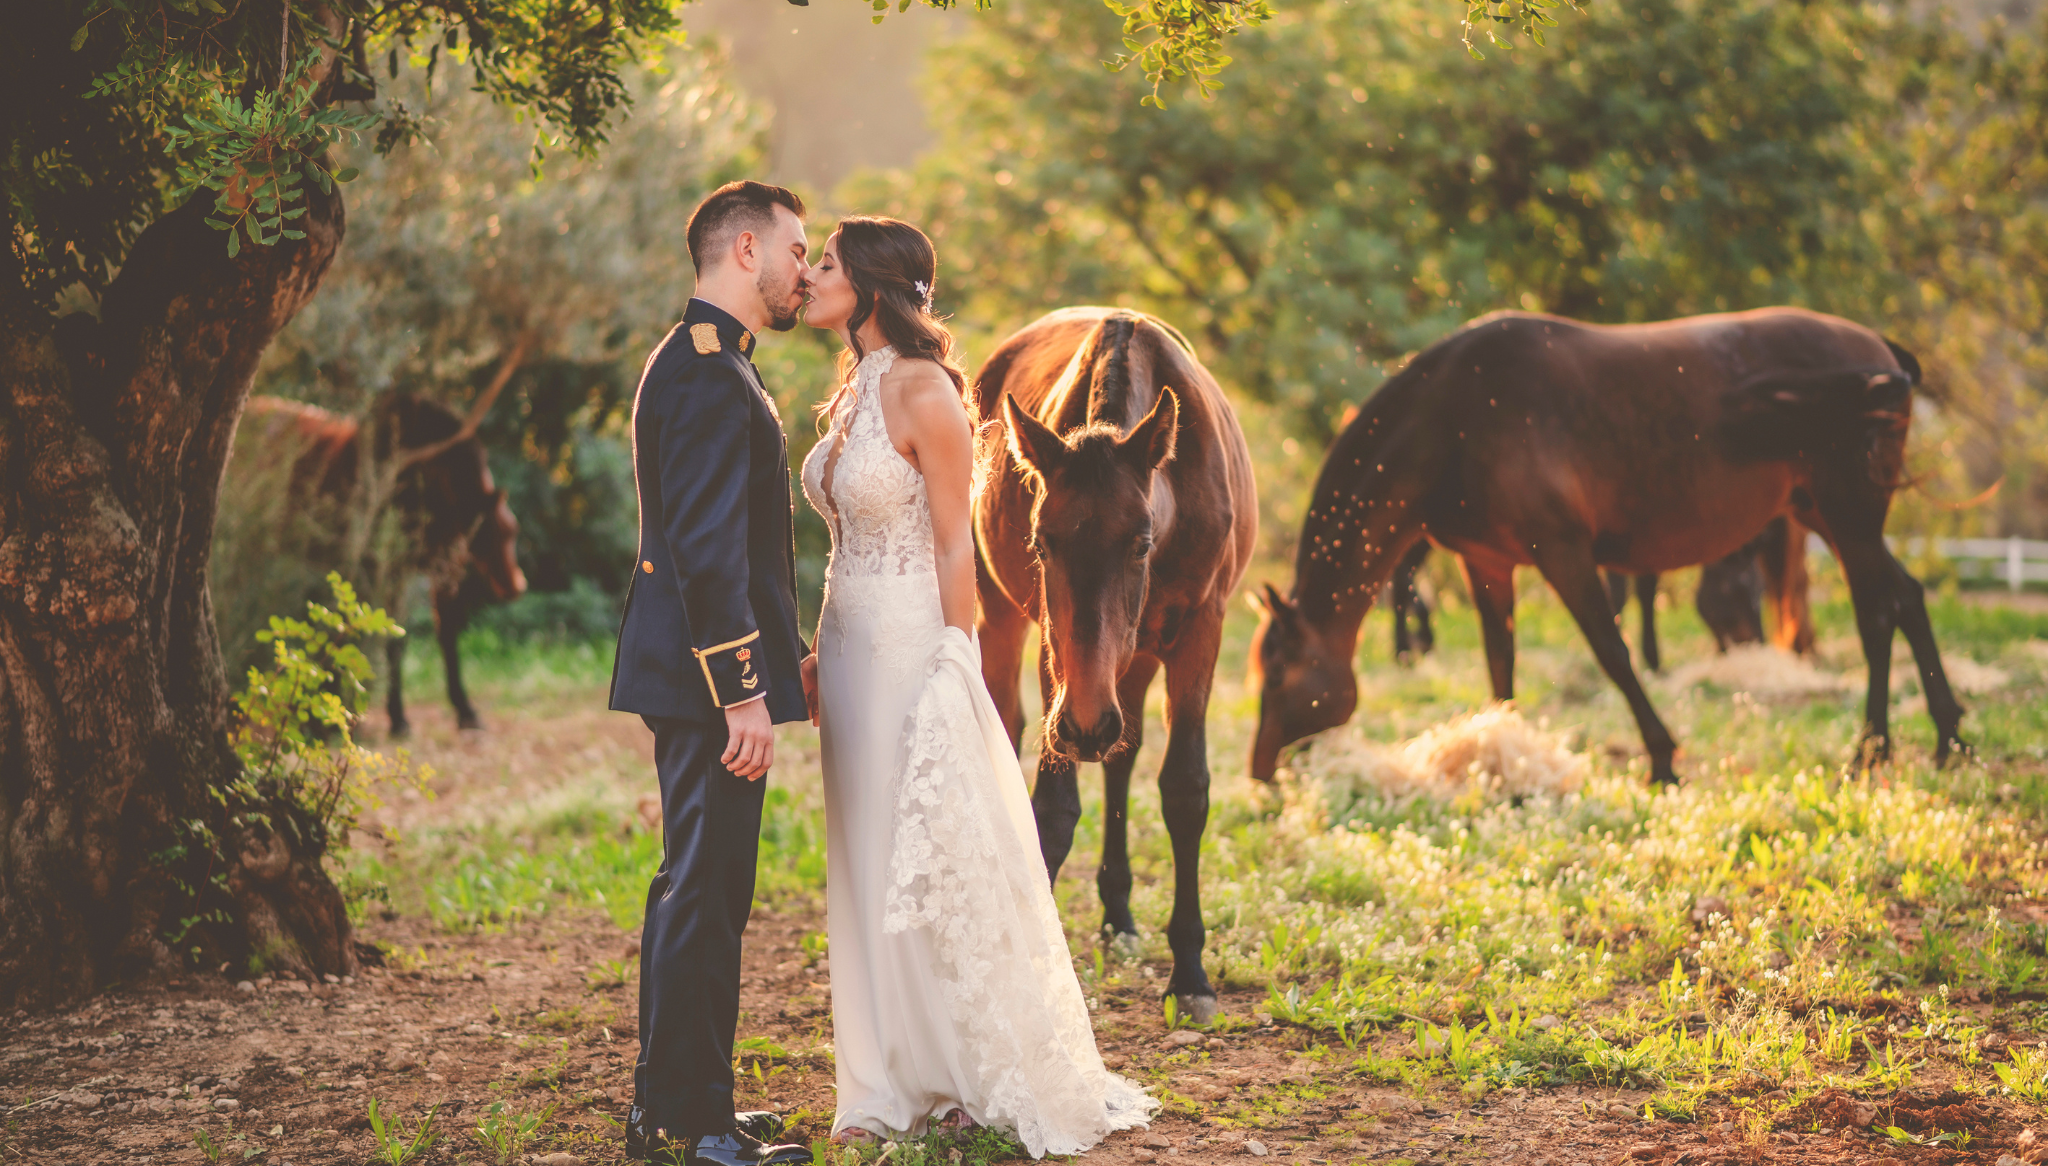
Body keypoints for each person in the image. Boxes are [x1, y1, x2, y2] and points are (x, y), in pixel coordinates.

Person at [797, 216, 1160, 1157]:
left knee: (923, 857)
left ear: (870, 289)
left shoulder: (928, 394)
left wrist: (959, 656)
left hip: (913, 643)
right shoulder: (853, 390)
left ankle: (953, 1073)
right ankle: (876, 1077)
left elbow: (955, 541)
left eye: (826, 264)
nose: (810, 275)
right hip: (844, 645)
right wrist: (815, 645)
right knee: (861, 856)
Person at [608, 180, 816, 1166]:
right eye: (796, 247)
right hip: (703, 684)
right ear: (744, 247)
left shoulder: (714, 361)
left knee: (695, 887)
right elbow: (701, 545)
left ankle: (678, 1100)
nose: (804, 268)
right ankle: (691, 1124)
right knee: (703, 888)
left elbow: (726, 541)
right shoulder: (703, 371)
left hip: (695, 674)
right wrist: (743, 687)